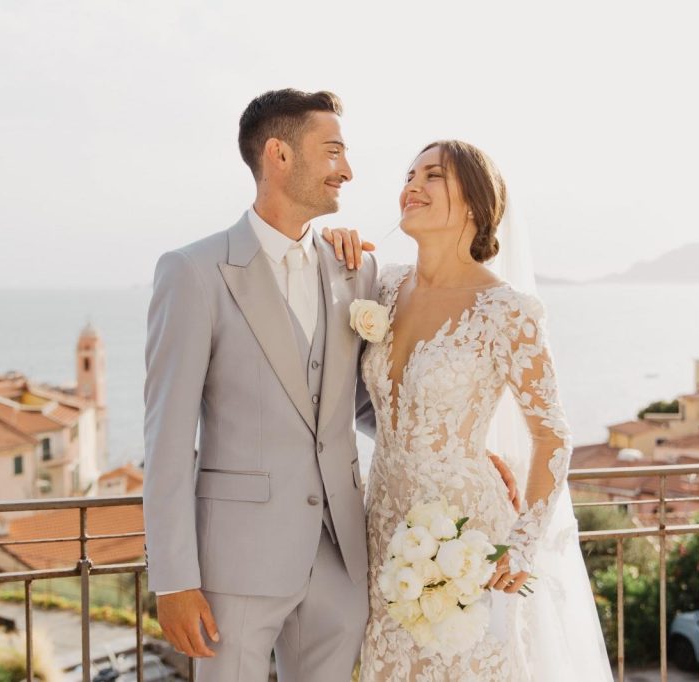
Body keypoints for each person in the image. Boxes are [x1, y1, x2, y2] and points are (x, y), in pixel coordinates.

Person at [142, 90, 521, 682]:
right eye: (334, 151)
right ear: (280, 156)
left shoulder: (355, 269)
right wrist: (172, 578)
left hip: (342, 559)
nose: (347, 169)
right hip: (238, 563)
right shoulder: (194, 272)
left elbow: (366, 398)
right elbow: (165, 437)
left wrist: (458, 451)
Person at [325, 140, 612, 681]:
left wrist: (522, 544)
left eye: (433, 175)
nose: (412, 185)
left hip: (467, 537)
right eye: (410, 174)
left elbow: (553, 438)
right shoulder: (381, 287)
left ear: (478, 206)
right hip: (383, 529)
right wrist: (336, 245)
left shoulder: (508, 311)